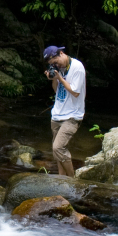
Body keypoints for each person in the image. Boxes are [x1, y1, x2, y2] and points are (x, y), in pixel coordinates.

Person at [43, 45, 86, 177]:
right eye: (52, 64)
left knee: (58, 147)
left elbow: (75, 92)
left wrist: (61, 78)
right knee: (57, 152)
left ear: (61, 53)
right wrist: (54, 78)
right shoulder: (59, 69)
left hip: (73, 116)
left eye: (55, 62)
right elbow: (57, 91)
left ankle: (72, 180)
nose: (55, 65)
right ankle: (62, 180)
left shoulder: (77, 68)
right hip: (57, 114)